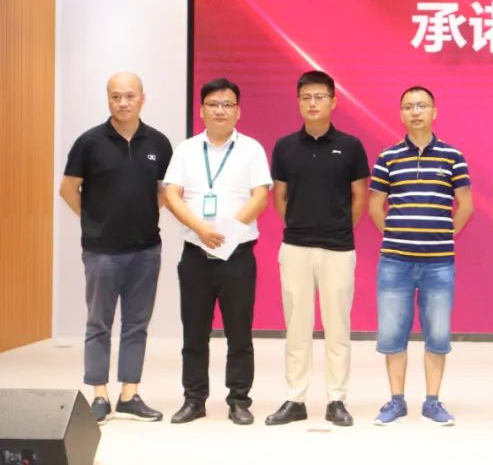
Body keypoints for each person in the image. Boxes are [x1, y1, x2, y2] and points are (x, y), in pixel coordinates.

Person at [59, 72, 173, 425]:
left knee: (137, 324)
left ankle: (129, 395)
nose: (123, 103)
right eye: (115, 96)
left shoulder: (159, 143)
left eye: (129, 96)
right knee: (99, 324)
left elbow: (165, 191)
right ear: (108, 99)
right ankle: (99, 395)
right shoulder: (89, 142)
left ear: (142, 98)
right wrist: (94, 219)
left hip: (146, 250)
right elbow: (68, 189)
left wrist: (146, 213)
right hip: (101, 252)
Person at [163, 78, 272, 425]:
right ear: (201, 110)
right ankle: (194, 399)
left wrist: (227, 232)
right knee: (194, 333)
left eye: (227, 104)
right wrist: (201, 229)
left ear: (238, 111)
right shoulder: (186, 150)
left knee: (239, 334)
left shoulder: (252, 149)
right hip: (195, 254)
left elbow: (261, 196)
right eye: (213, 104)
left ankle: (239, 400)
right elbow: (171, 195)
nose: (220, 110)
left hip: (237, 255)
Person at [264, 71, 370, 427]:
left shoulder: (351, 146)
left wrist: (336, 228)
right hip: (295, 247)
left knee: (338, 327)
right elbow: (280, 197)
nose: (313, 103)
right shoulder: (284, 147)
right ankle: (295, 399)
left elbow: (359, 197)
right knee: (297, 327)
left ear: (333, 101)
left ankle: (336, 399)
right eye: (306, 97)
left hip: (338, 249)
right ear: (298, 102)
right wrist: (301, 225)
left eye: (320, 97)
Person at [368, 86, 473, 426]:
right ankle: (396, 402)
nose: (415, 112)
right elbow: (375, 206)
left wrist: (443, 234)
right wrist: (396, 233)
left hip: (438, 263)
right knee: (392, 335)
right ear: (401, 114)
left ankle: (432, 402)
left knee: (438, 336)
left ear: (434, 111)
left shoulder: (453, 156)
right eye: (409, 107)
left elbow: (466, 205)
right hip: (394, 262)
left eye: (422, 105)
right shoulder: (388, 157)